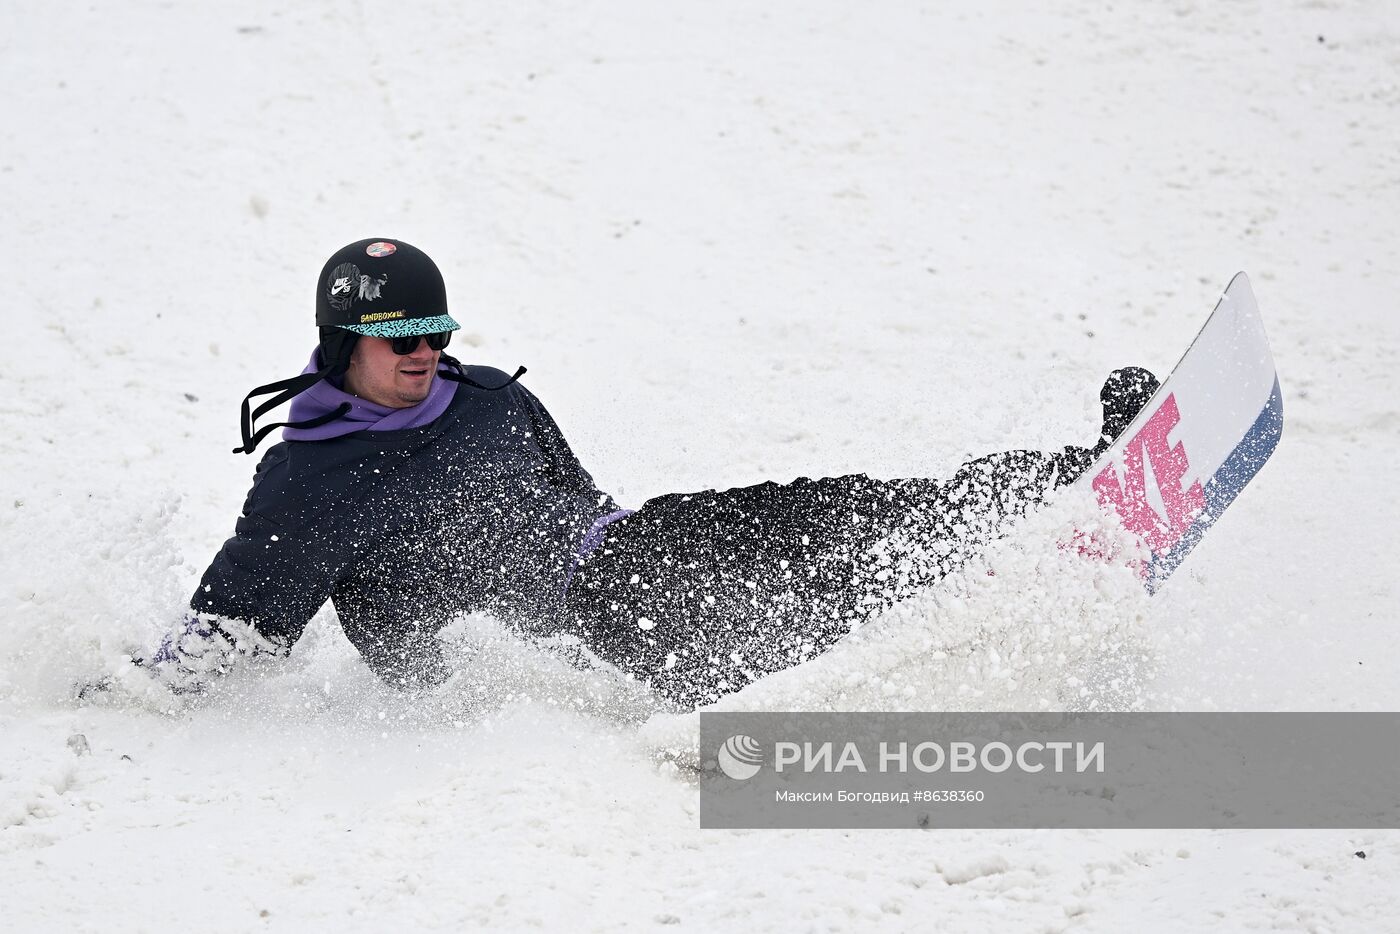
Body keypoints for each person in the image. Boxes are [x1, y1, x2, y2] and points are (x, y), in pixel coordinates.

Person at [113, 238, 1158, 709]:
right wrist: (124, 689)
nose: (423, 352)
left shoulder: (487, 397)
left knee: (836, 508)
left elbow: (578, 500)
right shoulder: (312, 476)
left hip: (635, 548)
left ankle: (1076, 478)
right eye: (397, 339)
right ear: (342, 343)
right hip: (599, 633)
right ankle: (976, 612)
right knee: (805, 604)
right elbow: (238, 630)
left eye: (432, 330)